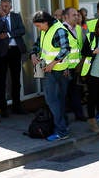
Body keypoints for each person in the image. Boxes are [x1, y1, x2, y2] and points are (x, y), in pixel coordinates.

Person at [31, 11, 72, 141]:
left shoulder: (58, 30)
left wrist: (53, 63)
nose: (38, 29)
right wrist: (33, 54)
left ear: (45, 22)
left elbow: (66, 49)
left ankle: (61, 131)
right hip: (51, 69)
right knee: (58, 100)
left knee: (52, 101)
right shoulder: (46, 30)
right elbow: (38, 45)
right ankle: (63, 127)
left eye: (39, 26)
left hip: (55, 70)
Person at [0, 0, 27, 117]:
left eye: (6, 6)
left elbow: (22, 30)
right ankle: (3, 108)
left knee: (16, 80)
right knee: (1, 80)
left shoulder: (16, 16)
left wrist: (8, 34)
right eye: (2, 6)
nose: (3, 8)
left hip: (15, 51)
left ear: (10, 7)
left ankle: (17, 106)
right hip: (2, 52)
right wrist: (2, 19)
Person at [62, 7, 86, 122]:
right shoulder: (60, 29)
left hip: (76, 67)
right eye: (74, 15)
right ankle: (63, 119)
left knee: (76, 92)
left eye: (77, 15)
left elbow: (80, 47)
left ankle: (79, 114)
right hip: (64, 67)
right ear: (66, 17)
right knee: (63, 94)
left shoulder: (79, 29)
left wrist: (81, 63)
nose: (77, 17)